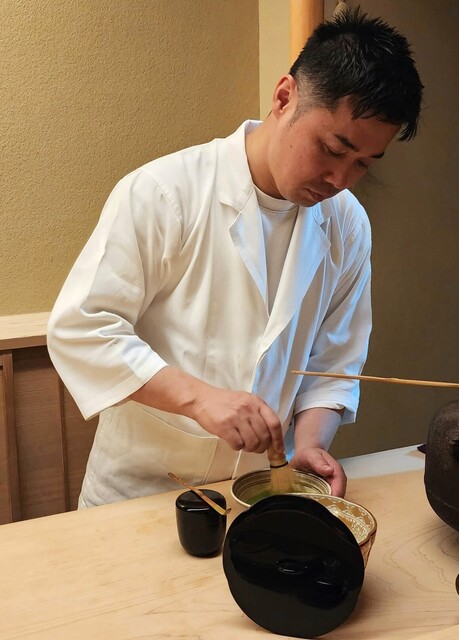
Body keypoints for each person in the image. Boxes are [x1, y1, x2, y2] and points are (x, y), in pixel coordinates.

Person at [47, 8, 423, 508]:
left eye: (363, 165)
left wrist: (309, 445)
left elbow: (332, 364)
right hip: (141, 490)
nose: (340, 180)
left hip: (262, 490)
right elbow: (82, 327)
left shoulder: (348, 224)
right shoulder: (165, 192)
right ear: (284, 97)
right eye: (333, 149)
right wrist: (200, 398)